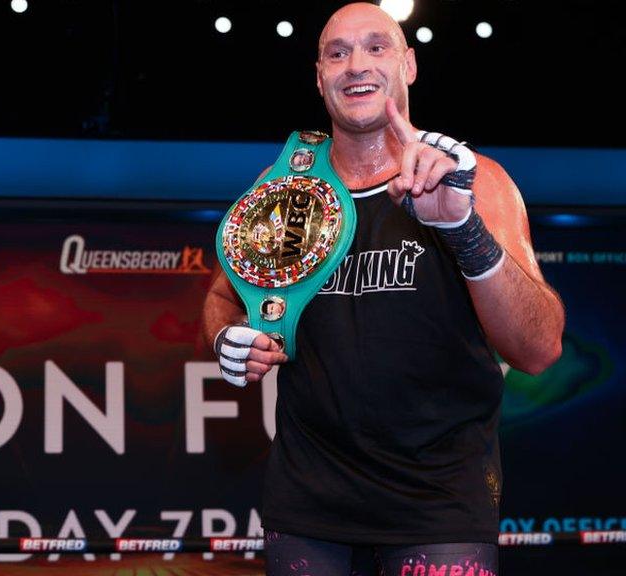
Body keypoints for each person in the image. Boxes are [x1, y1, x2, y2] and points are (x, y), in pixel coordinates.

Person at [202, 3, 565, 575]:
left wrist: (462, 228)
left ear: (409, 65)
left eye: (376, 47)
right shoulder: (286, 191)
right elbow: (224, 297)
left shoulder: (476, 180)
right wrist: (226, 338)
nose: (356, 65)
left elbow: (539, 347)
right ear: (319, 75)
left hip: (440, 506)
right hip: (307, 507)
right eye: (337, 53)